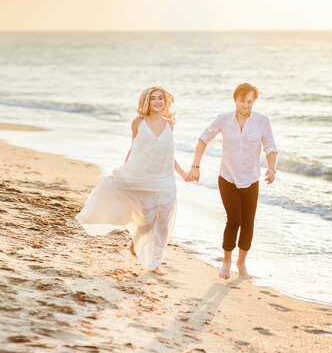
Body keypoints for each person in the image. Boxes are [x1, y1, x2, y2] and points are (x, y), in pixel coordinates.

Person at [76, 86, 188, 274]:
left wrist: (183, 173)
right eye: (153, 99)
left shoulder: (170, 123)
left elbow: (169, 153)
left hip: (165, 180)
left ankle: (155, 262)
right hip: (144, 178)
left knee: (163, 222)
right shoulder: (139, 122)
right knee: (148, 222)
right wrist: (124, 170)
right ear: (147, 101)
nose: (158, 101)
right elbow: (134, 149)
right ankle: (137, 241)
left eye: (161, 98)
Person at [187, 83, 278, 280]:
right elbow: (203, 139)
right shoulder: (223, 120)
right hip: (227, 178)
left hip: (251, 179)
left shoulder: (262, 121)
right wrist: (196, 165)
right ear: (235, 100)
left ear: (254, 102)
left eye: (250, 101)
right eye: (242, 101)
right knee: (234, 219)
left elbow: (270, 147)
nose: (246, 105)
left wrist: (271, 168)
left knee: (248, 223)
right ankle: (226, 261)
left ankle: (241, 263)